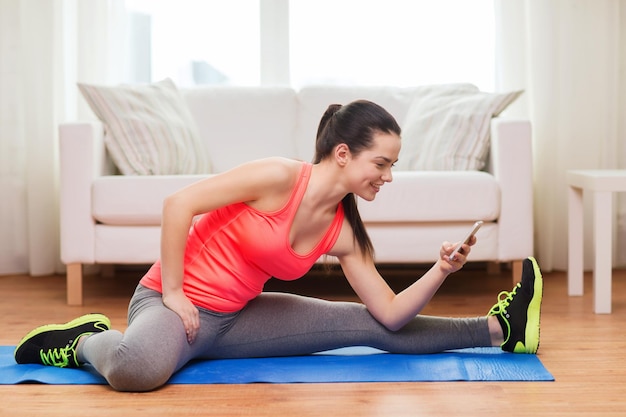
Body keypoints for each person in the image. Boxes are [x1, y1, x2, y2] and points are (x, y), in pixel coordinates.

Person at [14, 100, 543, 392]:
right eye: (381, 163)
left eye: (392, 166)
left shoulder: (343, 232)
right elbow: (179, 204)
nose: (387, 176)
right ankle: (84, 340)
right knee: (135, 371)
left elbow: (391, 314)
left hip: (236, 319)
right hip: (173, 305)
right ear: (342, 153)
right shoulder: (276, 177)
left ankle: (501, 328)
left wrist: (441, 270)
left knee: (366, 325)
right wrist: (173, 292)